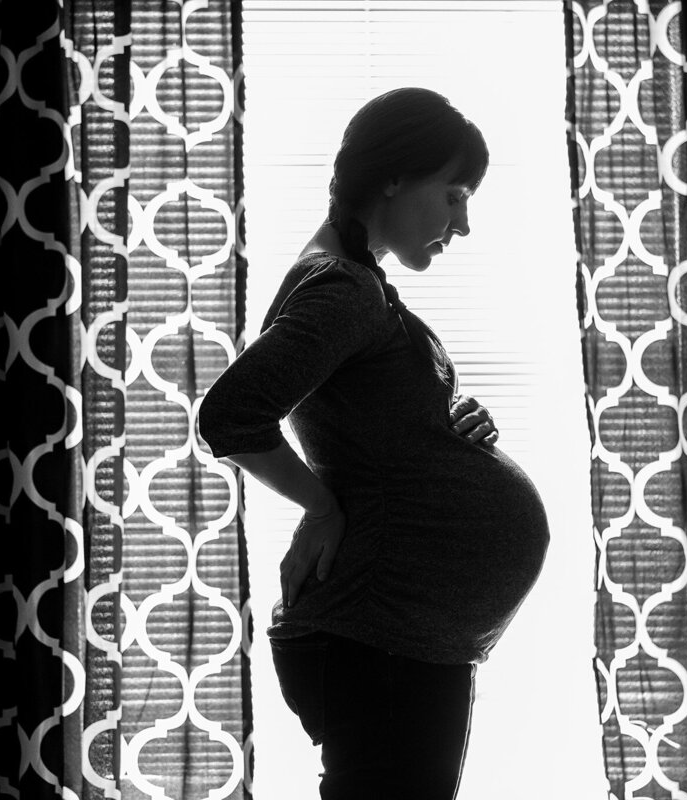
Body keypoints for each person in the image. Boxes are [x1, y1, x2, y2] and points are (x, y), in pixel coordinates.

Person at [197, 87, 550, 800]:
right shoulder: (346, 290)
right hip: (381, 639)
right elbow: (230, 415)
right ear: (393, 177)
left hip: (396, 641)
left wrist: (447, 421)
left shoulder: (353, 284)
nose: (464, 222)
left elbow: (368, 426)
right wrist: (321, 507)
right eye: (453, 195)